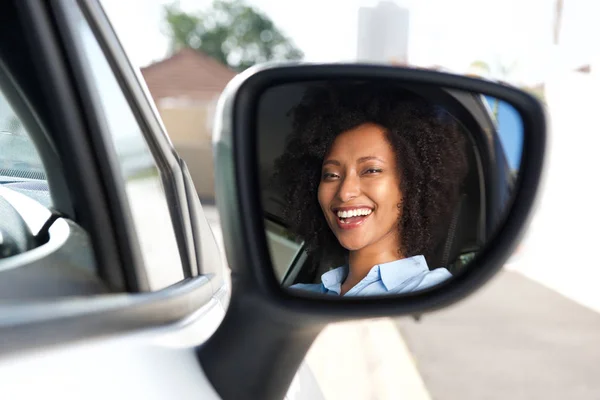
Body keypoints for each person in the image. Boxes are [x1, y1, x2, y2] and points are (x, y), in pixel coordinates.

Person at [272, 82, 468, 296]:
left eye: (371, 170)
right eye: (331, 175)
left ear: (413, 184)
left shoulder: (439, 292)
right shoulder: (298, 295)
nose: (345, 192)